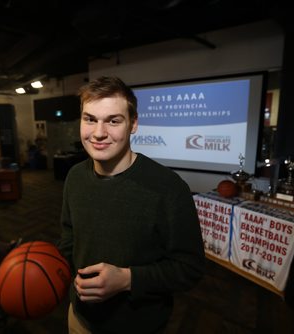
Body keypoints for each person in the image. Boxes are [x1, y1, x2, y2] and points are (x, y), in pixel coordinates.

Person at [57, 76, 205, 333]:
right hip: (79, 318)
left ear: (133, 124)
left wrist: (127, 280)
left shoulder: (168, 188)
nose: (99, 133)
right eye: (90, 119)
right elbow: (69, 239)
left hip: (138, 326)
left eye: (113, 121)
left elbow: (189, 268)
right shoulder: (75, 176)